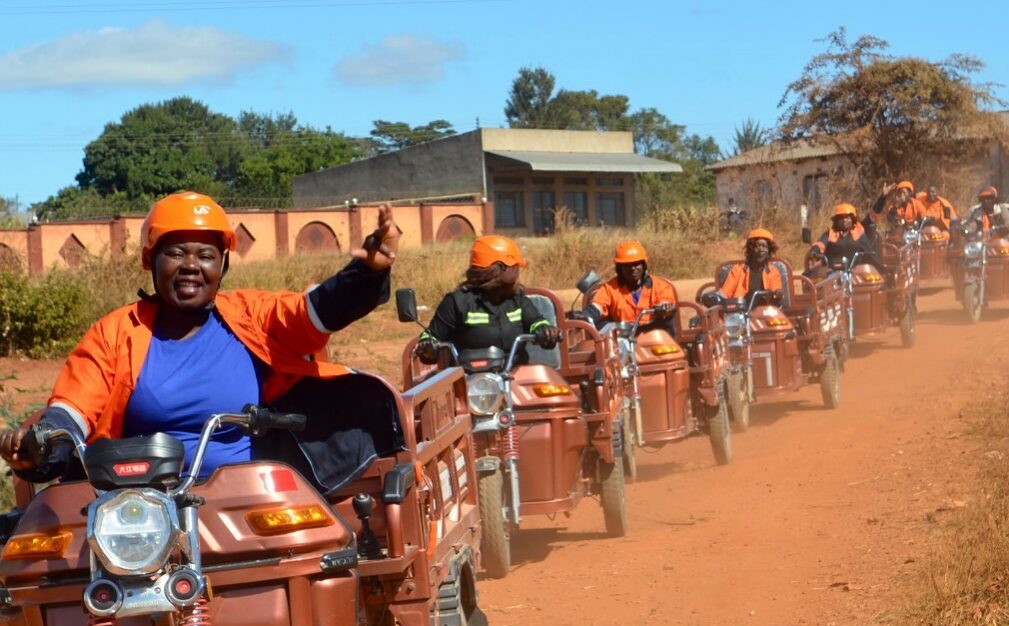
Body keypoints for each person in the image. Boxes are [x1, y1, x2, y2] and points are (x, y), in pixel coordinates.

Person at [0, 191, 401, 493]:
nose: (191, 265)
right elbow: (73, 407)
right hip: (142, 509)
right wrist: (46, 439)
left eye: (206, 255)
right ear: (150, 260)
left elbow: (311, 314)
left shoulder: (251, 316)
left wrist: (363, 275)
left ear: (222, 265)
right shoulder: (115, 333)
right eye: (175, 252)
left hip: (252, 498)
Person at [416, 235, 560, 361]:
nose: (518, 270)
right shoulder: (457, 302)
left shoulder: (517, 299)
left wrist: (546, 331)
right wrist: (428, 348)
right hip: (472, 382)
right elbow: (431, 336)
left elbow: (536, 322)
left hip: (515, 376)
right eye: (515, 265)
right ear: (501, 267)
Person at [583, 240, 677, 334]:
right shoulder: (609, 288)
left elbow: (666, 301)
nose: (632, 268)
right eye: (627, 265)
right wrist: (588, 313)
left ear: (643, 265)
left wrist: (664, 307)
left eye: (636, 264)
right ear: (620, 268)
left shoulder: (661, 286)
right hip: (622, 339)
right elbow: (599, 305)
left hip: (655, 338)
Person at [717, 228, 785, 303]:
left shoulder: (773, 271)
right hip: (742, 311)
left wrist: (778, 293)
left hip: (766, 311)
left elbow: (776, 294)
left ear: (769, 250)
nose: (761, 250)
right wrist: (715, 298)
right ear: (750, 249)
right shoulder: (738, 270)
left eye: (764, 246)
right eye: (757, 246)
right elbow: (724, 294)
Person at [966, 186, 1009, 252]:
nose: (986, 201)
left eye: (989, 198)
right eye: (983, 199)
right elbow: (972, 225)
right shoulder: (978, 212)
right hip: (983, 241)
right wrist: (966, 230)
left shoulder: (1001, 208)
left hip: (1004, 237)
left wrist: (1000, 229)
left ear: (995, 199)